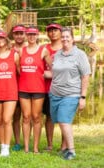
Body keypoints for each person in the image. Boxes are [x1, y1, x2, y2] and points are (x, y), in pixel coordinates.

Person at [49, 27, 91, 160]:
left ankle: (71, 151)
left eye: (67, 36)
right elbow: (54, 72)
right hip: (54, 94)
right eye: (63, 36)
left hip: (71, 94)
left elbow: (85, 76)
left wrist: (82, 97)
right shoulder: (57, 54)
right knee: (59, 121)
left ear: (73, 39)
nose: (65, 39)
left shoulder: (80, 55)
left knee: (64, 121)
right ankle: (65, 147)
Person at [18, 27, 51, 153]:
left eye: (34, 34)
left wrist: (45, 74)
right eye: (29, 34)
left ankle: (36, 147)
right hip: (24, 88)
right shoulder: (21, 51)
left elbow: (53, 68)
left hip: (38, 89)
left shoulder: (43, 51)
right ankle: (26, 147)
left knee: (36, 117)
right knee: (26, 117)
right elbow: (17, 69)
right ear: (26, 36)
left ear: (37, 35)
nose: (31, 37)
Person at [43, 23, 62, 151]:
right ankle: (49, 144)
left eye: (55, 30)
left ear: (60, 32)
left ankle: (63, 145)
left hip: (62, 88)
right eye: (50, 31)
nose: (53, 33)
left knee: (63, 117)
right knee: (49, 116)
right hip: (46, 88)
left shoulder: (66, 48)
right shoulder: (44, 49)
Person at [11, 25, 27, 151]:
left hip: (28, 86)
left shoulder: (30, 48)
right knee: (16, 116)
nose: (19, 36)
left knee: (28, 116)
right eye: (17, 33)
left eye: (21, 33)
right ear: (13, 35)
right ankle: (17, 141)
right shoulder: (9, 49)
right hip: (13, 86)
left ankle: (27, 140)